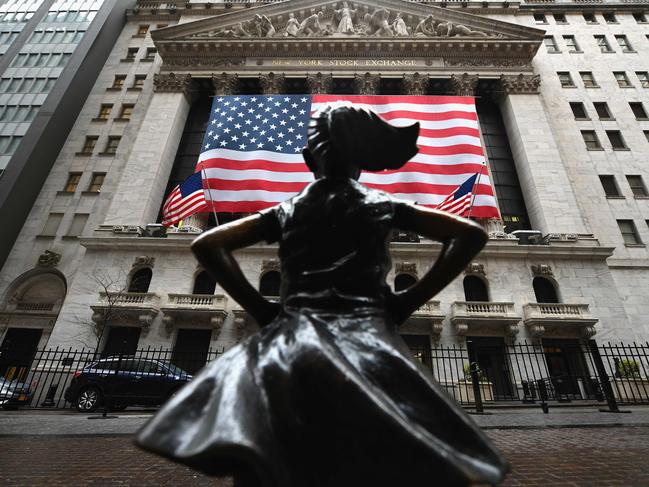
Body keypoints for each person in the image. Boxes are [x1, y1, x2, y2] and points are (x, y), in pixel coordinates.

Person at [136, 106, 508, 487]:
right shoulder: (381, 204)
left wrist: (262, 309)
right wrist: (408, 299)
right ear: (362, 162)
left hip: (291, 337)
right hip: (366, 336)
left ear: (309, 159)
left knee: (270, 450)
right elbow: (471, 235)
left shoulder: (288, 210)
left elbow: (209, 242)